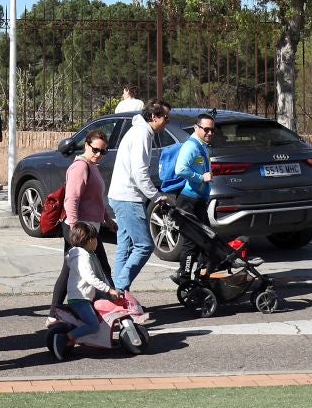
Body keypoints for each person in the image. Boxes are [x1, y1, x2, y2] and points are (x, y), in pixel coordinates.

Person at [105, 100, 168, 292]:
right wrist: (156, 196)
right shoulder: (141, 134)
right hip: (128, 197)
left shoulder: (140, 132)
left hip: (121, 195)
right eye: (166, 117)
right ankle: (119, 288)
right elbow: (139, 173)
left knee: (125, 245)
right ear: (154, 117)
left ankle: (118, 293)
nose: (167, 121)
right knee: (144, 246)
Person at [53, 129, 112, 309]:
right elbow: (72, 199)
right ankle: (54, 313)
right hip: (79, 228)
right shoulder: (80, 166)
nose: (98, 154)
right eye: (95, 150)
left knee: (76, 268)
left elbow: (95, 199)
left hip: (89, 227)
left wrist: (107, 219)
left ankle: (60, 312)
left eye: (103, 151)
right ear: (87, 145)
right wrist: (74, 227)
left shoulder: (92, 166)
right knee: (97, 266)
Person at [57, 221, 126, 348]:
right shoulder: (82, 257)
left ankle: (104, 340)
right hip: (80, 299)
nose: (97, 242)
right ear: (89, 240)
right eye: (95, 239)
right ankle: (68, 337)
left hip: (85, 296)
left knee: (103, 316)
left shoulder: (88, 254)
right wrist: (108, 289)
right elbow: (90, 278)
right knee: (94, 325)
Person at [160, 113, 213, 214]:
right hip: (189, 201)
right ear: (196, 128)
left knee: (203, 230)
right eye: (206, 129)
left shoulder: (202, 145)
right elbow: (180, 169)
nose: (210, 133)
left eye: (212, 130)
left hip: (198, 200)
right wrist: (201, 178)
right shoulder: (190, 146)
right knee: (193, 230)